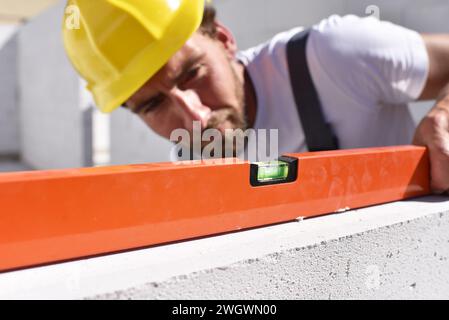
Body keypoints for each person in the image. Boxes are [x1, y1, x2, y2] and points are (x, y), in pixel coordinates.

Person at [63, 0, 449, 194]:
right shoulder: (192, 167)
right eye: (153, 105)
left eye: (193, 74)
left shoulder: (335, 55)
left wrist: (443, 116)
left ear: (225, 41)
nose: (195, 119)